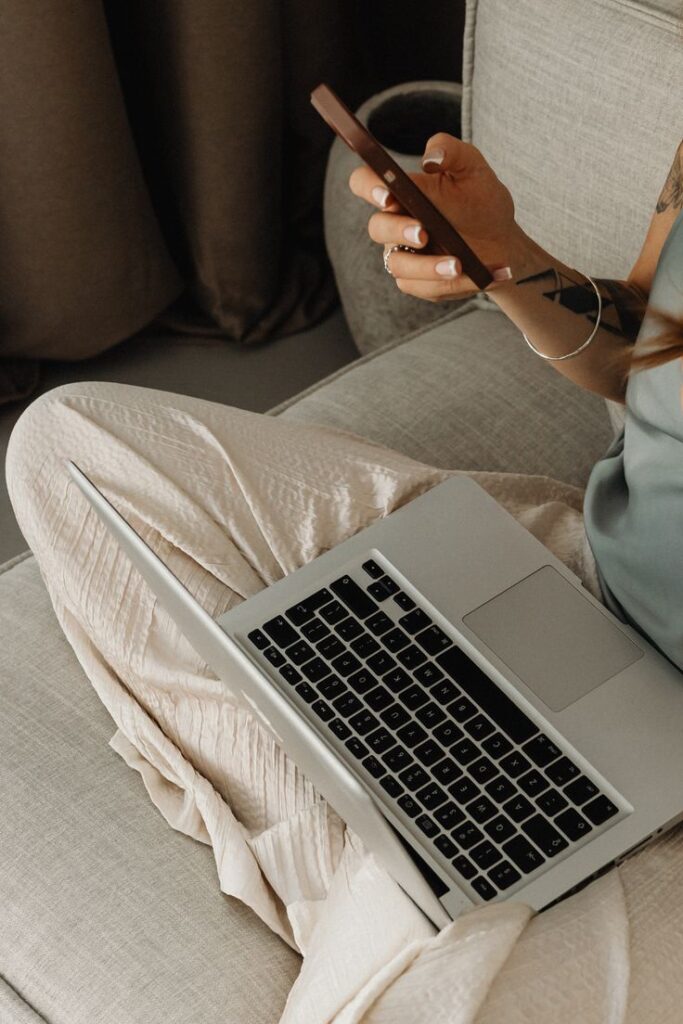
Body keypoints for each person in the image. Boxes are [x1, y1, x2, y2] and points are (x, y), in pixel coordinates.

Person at [5, 132, 683, 1017]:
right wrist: (503, 261)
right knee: (70, 445)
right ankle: (397, 872)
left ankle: (401, 884)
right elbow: (647, 347)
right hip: (577, 569)